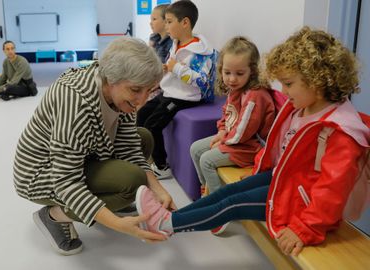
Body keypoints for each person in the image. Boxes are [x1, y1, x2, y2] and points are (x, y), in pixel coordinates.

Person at [135, 27, 369, 256]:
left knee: (231, 205)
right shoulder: (300, 108)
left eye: (288, 84)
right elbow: (281, 150)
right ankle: (170, 218)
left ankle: (166, 224)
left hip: (302, 205)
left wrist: (305, 228)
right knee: (228, 192)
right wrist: (259, 171)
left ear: (318, 82)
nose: (284, 92)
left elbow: (332, 192)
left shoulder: (340, 132)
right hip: (286, 181)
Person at [13, 37, 176, 256]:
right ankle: (53, 215)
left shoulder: (119, 92)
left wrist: (159, 190)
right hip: (42, 173)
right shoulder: (76, 101)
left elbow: (129, 147)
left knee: (143, 137)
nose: (143, 101)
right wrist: (118, 224)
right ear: (111, 79)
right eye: (136, 90)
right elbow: (66, 181)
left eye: (149, 91)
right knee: (132, 180)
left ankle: (106, 202)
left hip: (84, 157)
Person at [137, 0, 217, 179]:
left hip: (186, 97)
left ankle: (162, 166)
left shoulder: (201, 52)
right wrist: (168, 70)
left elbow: (203, 82)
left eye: (169, 21)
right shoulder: (176, 44)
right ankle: (143, 158)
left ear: (185, 23)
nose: (166, 26)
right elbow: (174, 68)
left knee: (152, 125)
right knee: (141, 114)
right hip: (170, 92)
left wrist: (176, 68)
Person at [190, 37, 276, 199]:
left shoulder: (254, 96)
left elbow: (243, 132)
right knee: (195, 148)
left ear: (252, 71)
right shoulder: (236, 89)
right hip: (236, 142)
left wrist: (222, 142)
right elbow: (227, 114)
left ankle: (216, 203)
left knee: (207, 160)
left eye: (239, 73)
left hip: (250, 148)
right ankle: (206, 189)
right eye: (227, 72)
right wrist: (221, 131)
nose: (232, 79)